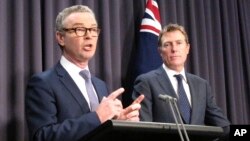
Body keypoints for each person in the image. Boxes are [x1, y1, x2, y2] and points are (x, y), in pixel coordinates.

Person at [25, 5, 144, 141]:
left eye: (93, 29)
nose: (89, 36)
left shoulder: (100, 85)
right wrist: (97, 117)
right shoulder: (43, 83)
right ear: (60, 38)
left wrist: (119, 123)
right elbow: (43, 136)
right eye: (80, 29)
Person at [132, 23, 230, 139]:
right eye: (167, 45)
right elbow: (143, 130)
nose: (174, 49)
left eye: (179, 43)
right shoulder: (146, 82)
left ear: (187, 48)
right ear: (160, 51)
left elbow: (223, 126)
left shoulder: (201, 85)